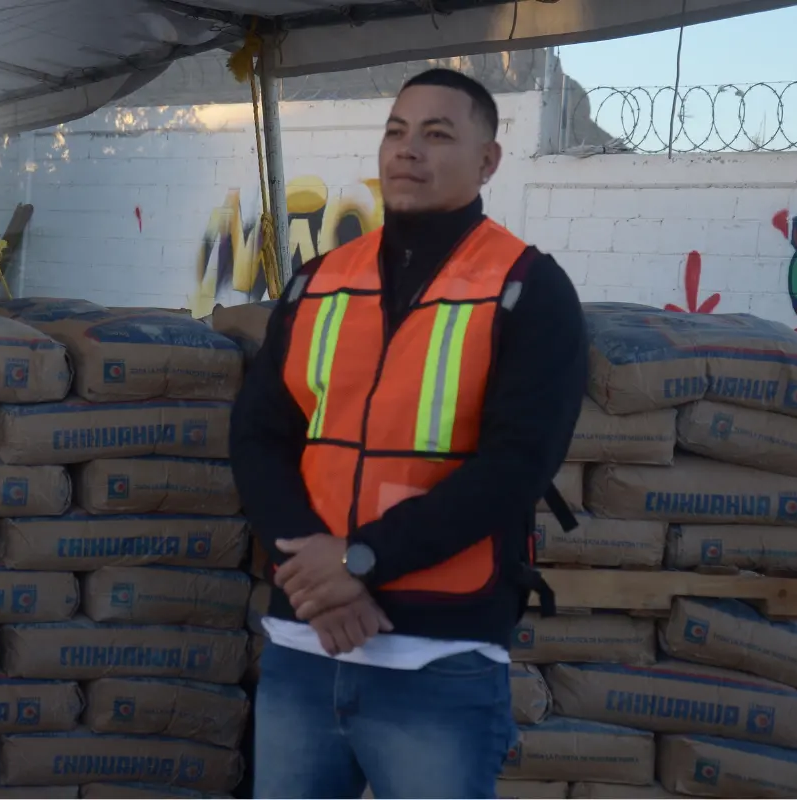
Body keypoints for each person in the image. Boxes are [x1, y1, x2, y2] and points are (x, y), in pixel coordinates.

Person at [230, 68, 588, 800]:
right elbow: (259, 437)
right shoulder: (318, 282)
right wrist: (318, 577)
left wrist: (360, 561)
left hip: (438, 659)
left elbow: (516, 466)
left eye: (437, 134)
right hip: (305, 644)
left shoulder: (527, 288)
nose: (407, 150)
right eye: (396, 131)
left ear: (488, 160)